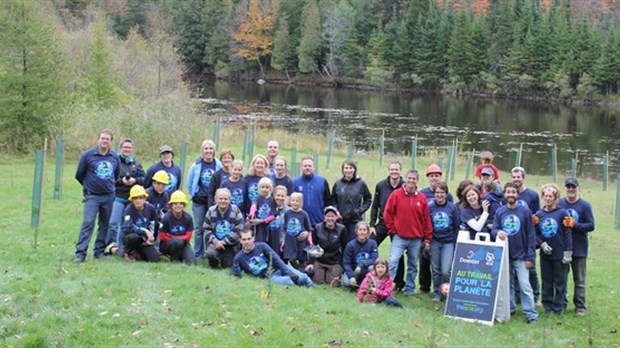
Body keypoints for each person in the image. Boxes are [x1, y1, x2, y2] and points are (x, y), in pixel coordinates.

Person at [491, 182, 538, 324]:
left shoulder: (524, 211)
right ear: (504, 194)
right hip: (505, 255)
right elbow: (494, 229)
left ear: (517, 194)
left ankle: (531, 314)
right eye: (508, 192)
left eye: (513, 192)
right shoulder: (500, 211)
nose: (510, 194)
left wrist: (531, 256)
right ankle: (509, 308)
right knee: (508, 284)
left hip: (522, 255)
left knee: (524, 285)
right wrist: (497, 232)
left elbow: (531, 235)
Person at [74, 129, 121, 263]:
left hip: (109, 196)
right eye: (102, 138)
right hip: (92, 196)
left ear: (111, 142)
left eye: (107, 139)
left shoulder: (114, 157)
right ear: (98, 139)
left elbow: (116, 175)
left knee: (105, 224)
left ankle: (99, 251)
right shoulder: (87, 156)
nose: (104, 141)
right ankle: (80, 253)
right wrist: (89, 186)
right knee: (88, 223)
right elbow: (79, 175)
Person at [383, 169, 432, 296]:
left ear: (417, 181)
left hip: (416, 238)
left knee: (412, 265)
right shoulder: (396, 194)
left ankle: (409, 289)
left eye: (413, 179)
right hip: (399, 237)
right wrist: (393, 230)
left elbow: (426, 219)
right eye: (409, 178)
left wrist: (427, 238)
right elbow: (387, 214)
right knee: (393, 262)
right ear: (405, 179)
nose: (411, 181)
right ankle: (387, 288)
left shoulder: (422, 198)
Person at [534, 183, 573, 314]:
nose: (548, 198)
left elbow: (568, 233)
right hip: (546, 255)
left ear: (556, 198)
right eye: (546, 196)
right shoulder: (538, 215)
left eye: (551, 196)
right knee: (547, 282)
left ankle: (559, 307)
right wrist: (542, 244)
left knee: (560, 282)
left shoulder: (563, 213)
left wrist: (568, 252)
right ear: (542, 197)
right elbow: (535, 233)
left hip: (560, 254)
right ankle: (548, 306)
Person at [559, 177, 595, 316]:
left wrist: (575, 225)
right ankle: (562, 304)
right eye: (568, 187)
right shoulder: (560, 203)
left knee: (579, 280)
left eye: (573, 187)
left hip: (579, 248)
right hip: (563, 248)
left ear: (577, 188)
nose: (571, 189)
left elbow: (591, 225)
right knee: (562, 278)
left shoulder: (585, 205)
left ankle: (580, 306)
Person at [369, 161, 405, 290]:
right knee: (370, 244)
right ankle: (369, 277)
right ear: (388, 170)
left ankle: (399, 283)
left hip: (398, 225)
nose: (394, 172)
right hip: (383, 223)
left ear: (400, 171)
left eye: (396, 169)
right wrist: (372, 224)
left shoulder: (405, 186)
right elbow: (375, 206)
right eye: (392, 169)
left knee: (398, 253)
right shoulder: (381, 185)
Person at [232, 229, 313, 287]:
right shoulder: (239, 258)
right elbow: (236, 274)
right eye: (244, 239)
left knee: (303, 278)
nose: (247, 242)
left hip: (279, 268)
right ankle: (298, 289)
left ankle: (311, 287)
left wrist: (288, 272)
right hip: (269, 277)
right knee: (289, 282)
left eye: (249, 239)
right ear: (240, 240)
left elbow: (276, 259)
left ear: (253, 238)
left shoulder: (262, 246)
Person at [105, 138, 145, 255]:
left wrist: (135, 180)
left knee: (126, 225)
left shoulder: (136, 164)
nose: (127, 149)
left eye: (129, 147)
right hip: (117, 196)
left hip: (132, 199)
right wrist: (122, 181)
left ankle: (123, 248)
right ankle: (110, 246)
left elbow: (144, 179)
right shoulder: (114, 162)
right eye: (125, 147)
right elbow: (109, 179)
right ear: (121, 148)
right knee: (113, 223)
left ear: (132, 149)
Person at [419, 164, 454, 294]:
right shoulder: (423, 193)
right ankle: (429, 289)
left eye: (437, 176)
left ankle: (445, 291)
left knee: (445, 269)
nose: (434, 178)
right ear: (428, 177)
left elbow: (453, 219)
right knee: (429, 265)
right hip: (430, 237)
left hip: (447, 239)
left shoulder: (449, 198)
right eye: (432, 176)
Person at [187, 139, 223, 259]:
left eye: (210, 148)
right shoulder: (196, 165)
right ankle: (198, 254)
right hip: (199, 202)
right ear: (202, 151)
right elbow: (190, 182)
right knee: (198, 230)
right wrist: (195, 193)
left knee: (211, 228)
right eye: (206, 148)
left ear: (214, 151)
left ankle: (209, 253)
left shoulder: (218, 165)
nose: (208, 151)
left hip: (213, 202)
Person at [511, 166, 541, 303]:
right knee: (515, 268)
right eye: (514, 177)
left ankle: (535, 295)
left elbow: (538, 215)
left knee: (530, 267)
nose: (516, 179)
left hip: (528, 236)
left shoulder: (532, 195)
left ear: (523, 178)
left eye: (519, 177)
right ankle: (517, 295)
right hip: (515, 236)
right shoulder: (510, 194)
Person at [429, 182, 460, 301]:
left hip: (448, 242)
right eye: (437, 192)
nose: (439, 195)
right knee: (436, 270)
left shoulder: (452, 207)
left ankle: (446, 292)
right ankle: (437, 292)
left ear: (446, 194)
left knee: (445, 270)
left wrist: (456, 242)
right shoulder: (430, 207)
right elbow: (427, 225)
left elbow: (457, 225)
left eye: (442, 192)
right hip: (435, 241)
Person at [306, 206, 348, 285]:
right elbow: (313, 246)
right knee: (318, 281)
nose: (330, 219)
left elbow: (345, 247)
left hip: (334, 262)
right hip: (320, 260)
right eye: (328, 216)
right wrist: (310, 263)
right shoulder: (317, 228)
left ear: (336, 217)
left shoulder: (342, 229)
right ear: (324, 217)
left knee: (332, 283)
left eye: (332, 216)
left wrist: (342, 265)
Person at [331, 160, 372, 241]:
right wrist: (336, 211)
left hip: (355, 220)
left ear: (354, 170)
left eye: (351, 168)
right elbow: (333, 200)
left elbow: (368, 199)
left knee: (353, 243)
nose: (348, 170)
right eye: (346, 168)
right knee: (341, 243)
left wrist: (359, 211)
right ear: (343, 170)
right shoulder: (338, 184)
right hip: (340, 220)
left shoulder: (361, 183)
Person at [204, 188, 244, 269]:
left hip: (230, 244)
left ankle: (224, 259)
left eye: (225, 199)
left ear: (230, 200)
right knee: (210, 254)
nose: (223, 201)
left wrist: (223, 242)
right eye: (220, 198)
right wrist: (216, 242)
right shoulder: (211, 211)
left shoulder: (235, 210)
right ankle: (213, 264)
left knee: (227, 265)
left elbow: (239, 229)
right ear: (216, 199)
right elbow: (206, 229)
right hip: (214, 244)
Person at [121, 185, 160, 263]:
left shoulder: (151, 208)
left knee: (155, 259)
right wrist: (144, 231)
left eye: (141, 198)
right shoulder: (128, 210)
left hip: (145, 239)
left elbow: (154, 224)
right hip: (132, 237)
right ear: (131, 200)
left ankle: (138, 253)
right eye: (135, 198)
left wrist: (151, 238)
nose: (138, 201)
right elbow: (128, 227)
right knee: (133, 237)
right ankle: (127, 253)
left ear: (145, 198)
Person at [293, 157, 331, 227]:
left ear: (314, 168)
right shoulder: (295, 182)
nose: (307, 168)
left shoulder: (322, 181)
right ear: (301, 167)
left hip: (319, 222)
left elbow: (328, 201)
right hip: (301, 223)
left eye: (310, 166)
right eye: (305, 166)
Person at [159, 190, 195, 265]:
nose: (178, 206)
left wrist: (175, 237)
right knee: (178, 242)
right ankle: (173, 259)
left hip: (184, 243)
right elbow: (162, 236)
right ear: (171, 205)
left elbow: (188, 236)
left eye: (181, 203)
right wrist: (176, 239)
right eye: (175, 203)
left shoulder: (188, 218)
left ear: (184, 205)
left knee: (192, 262)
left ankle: (180, 256)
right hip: (167, 244)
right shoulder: (166, 218)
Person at [281, 192, 313, 270]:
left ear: (301, 202)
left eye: (297, 201)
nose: (294, 203)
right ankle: (296, 270)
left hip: (301, 241)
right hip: (290, 242)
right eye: (293, 200)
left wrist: (310, 241)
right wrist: (283, 242)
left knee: (302, 259)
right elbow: (285, 228)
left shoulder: (304, 214)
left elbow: (309, 229)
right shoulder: (287, 213)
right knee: (291, 258)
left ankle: (302, 272)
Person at [342, 221, 378, 288]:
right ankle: (358, 283)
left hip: (366, 270)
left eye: (364, 230)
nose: (362, 232)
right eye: (360, 230)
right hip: (354, 271)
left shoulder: (373, 243)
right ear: (356, 232)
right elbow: (346, 263)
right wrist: (351, 276)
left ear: (367, 232)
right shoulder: (350, 245)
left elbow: (374, 258)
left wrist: (361, 265)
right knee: (347, 283)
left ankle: (369, 283)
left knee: (372, 267)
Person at [248, 177, 278, 249]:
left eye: (267, 187)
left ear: (270, 188)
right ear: (259, 188)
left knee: (269, 241)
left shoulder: (272, 200)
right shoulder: (257, 198)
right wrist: (251, 215)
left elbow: (274, 215)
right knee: (259, 241)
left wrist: (264, 220)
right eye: (263, 187)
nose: (264, 189)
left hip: (268, 224)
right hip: (258, 225)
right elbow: (253, 206)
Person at [269, 185, 290, 255]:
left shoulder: (289, 211)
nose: (280, 198)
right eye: (278, 195)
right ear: (274, 195)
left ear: (286, 197)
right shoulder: (268, 209)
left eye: (282, 196)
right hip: (270, 243)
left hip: (283, 244)